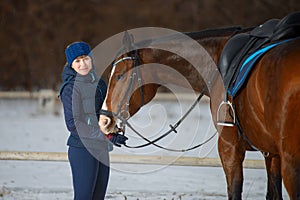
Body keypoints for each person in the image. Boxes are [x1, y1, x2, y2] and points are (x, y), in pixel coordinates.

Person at [59, 41, 128, 200]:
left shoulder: (101, 84)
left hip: (101, 148)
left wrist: (115, 130)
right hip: (82, 149)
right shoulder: (70, 88)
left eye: (86, 59)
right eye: (77, 61)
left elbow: (108, 114)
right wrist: (106, 135)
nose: (83, 64)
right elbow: (74, 124)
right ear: (71, 64)